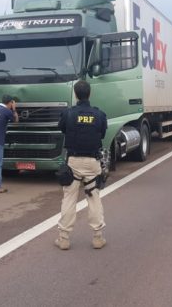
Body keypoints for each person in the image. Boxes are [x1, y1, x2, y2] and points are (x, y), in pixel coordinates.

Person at [55, 81, 108, 250]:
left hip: (74, 162)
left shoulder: (69, 114)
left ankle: (63, 238)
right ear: (90, 94)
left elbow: (62, 129)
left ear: (76, 95)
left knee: (69, 198)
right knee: (93, 198)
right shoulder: (99, 114)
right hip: (93, 162)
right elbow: (102, 133)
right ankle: (98, 237)